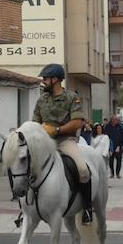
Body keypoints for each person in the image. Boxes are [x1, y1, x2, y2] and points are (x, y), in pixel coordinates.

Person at [35, 63, 95, 224]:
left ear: (55, 79)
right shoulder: (41, 100)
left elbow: (77, 122)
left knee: (83, 169)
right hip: (44, 142)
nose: (43, 82)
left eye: (46, 79)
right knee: (26, 164)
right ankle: (27, 208)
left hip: (65, 141)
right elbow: (35, 123)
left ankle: (87, 209)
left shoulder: (71, 98)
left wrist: (56, 130)